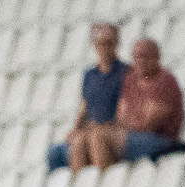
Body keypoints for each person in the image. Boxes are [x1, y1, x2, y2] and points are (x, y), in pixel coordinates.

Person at [87, 37, 183, 170]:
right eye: (137, 57)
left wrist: (126, 124)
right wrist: (128, 123)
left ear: (156, 57)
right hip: (132, 135)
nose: (140, 61)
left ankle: (103, 183)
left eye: (145, 56)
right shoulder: (131, 79)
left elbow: (149, 122)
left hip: (160, 140)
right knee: (82, 140)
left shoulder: (165, 80)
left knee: (100, 137)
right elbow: (121, 116)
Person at [49, 23, 129, 172]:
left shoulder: (124, 72)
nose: (105, 48)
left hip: (111, 129)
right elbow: (85, 107)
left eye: (109, 43)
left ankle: (102, 180)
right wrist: (75, 129)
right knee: (78, 141)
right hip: (91, 127)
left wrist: (108, 125)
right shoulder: (90, 75)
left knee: (96, 139)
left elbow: (125, 108)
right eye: (101, 44)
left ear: (116, 44)